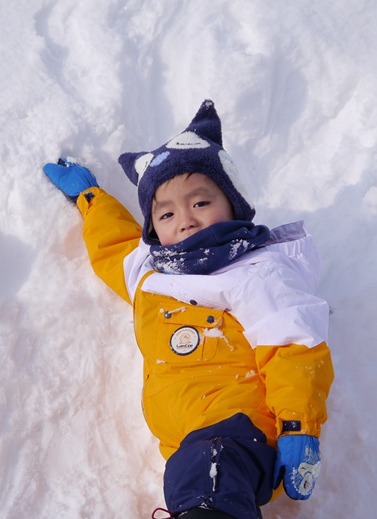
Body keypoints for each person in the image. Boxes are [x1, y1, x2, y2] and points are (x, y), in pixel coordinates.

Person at [43, 100, 334, 519]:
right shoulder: (149, 271)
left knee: (207, 484)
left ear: (233, 204)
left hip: (240, 423)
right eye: (166, 212)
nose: (186, 220)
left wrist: (298, 426)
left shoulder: (255, 270)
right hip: (186, 438)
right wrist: (90, 197)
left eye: (200, 203)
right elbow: (114, 244)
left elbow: (292, 344)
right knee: (193, 478)